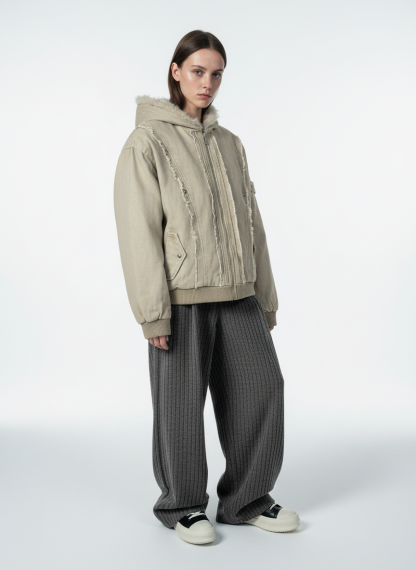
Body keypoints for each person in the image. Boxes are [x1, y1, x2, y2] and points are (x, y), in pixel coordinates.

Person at [113, 29, 300, 545]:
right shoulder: (146, 142)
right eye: (198, 71)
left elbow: (253, 226)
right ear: (176, 71)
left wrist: (265, 299)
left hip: (240, 295)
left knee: (264, 389)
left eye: (216, 74)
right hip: (180, 300)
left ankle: (247, 500)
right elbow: (138, 232)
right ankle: (183, 505)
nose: (207, 83)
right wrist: (153, 312)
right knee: (179, 405)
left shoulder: (229, 144)